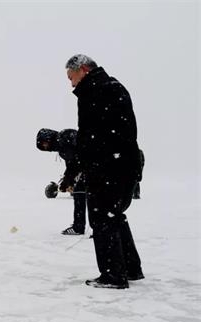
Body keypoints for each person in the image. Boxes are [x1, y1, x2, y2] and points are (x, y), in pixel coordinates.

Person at [65, 54, 143, 289]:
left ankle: (113, 276)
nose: (71, 83)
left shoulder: (93, 91)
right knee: (114, 215)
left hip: (108, 166)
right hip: (124, 163)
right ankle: (131, 268)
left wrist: (75, 170)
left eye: (71, 77)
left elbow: (88, 137)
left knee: (102, 218)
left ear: (83, 70)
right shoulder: (113, 86)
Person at [36, 128, 86, 235]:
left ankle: (79, 227)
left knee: (81, 193)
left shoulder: (63, 138)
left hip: (92, 165)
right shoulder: (61, 145)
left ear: (48, 138)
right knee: (84, 193)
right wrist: (66, 182)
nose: (45, 147)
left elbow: (76, 161)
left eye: (44, 144)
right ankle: (95, 228)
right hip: (91, 165)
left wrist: (68, 180)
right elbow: (71, 165)